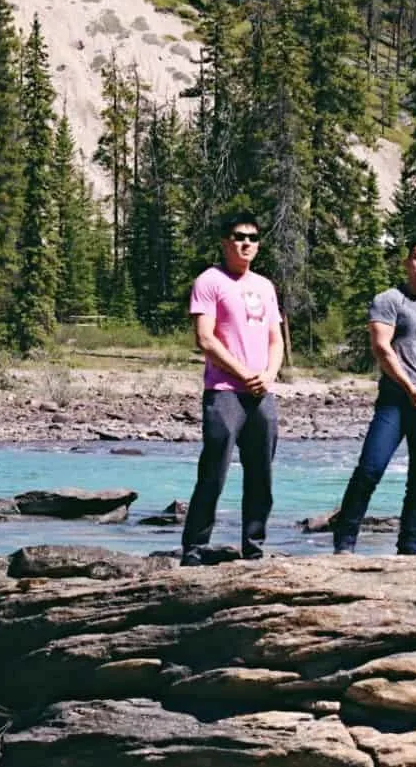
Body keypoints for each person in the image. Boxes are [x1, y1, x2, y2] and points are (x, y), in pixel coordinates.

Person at [332, 237, 416, 555]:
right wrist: (410, 387)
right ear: (407, 263)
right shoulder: (389, 300)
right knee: (370, 469)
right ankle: (344, 543)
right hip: (395, 399)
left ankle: (411, 548)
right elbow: (381, 348)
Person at [180, 212, 284, 566]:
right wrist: (244, 373)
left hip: (260, 393)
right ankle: (194, 547)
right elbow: (205, 339)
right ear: (225, 242)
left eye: (253, 238)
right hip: (224, 391)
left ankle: (253, 549)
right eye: (239, 237)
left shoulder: (266, 287)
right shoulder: (209, 281)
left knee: (262, 477)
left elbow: (275, 339)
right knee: (214, 472)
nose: (246, 244)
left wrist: (269, 374)